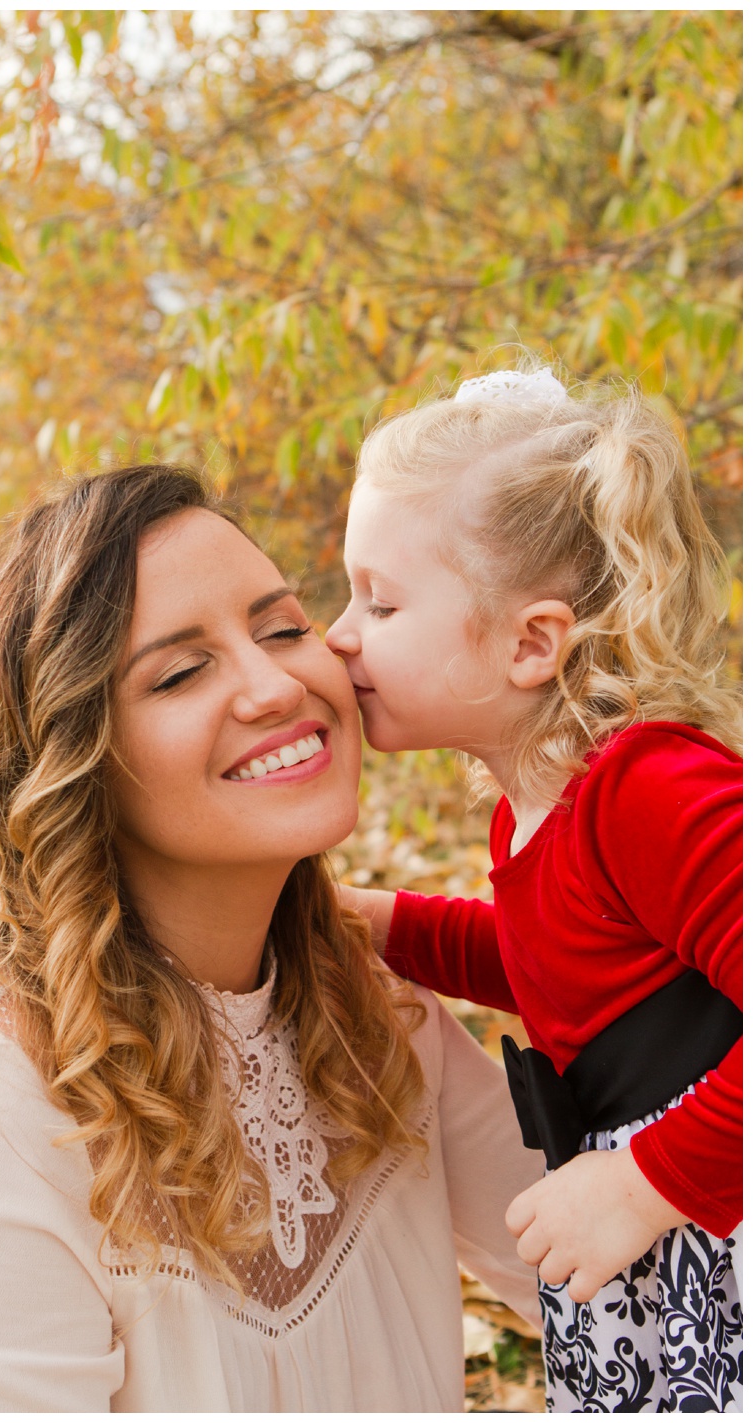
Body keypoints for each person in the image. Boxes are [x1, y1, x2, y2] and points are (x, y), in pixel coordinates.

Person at [0, 465, 545, 1411]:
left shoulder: (369, 1002)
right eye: (178, 671)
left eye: (283, 627)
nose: (274, 685)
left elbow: (632, 1294)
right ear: (74, 760)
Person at [325, 365, 742, 1411]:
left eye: (378, 601)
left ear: (529, 643)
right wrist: (380, 924)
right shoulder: (539, 811)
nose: (339, 634)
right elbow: (569, 972)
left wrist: (651, 1180)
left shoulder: (651, 790)